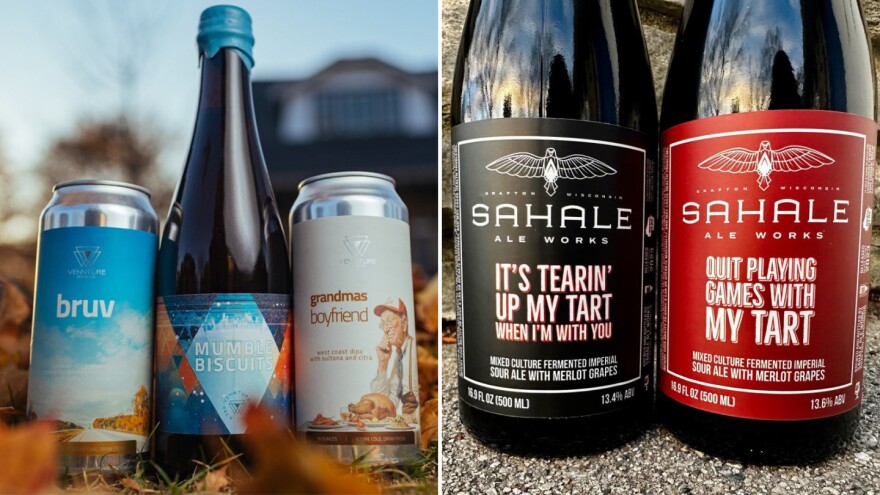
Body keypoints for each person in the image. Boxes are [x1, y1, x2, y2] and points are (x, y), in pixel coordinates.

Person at [371, 297, 419, 416]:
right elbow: (385, 404)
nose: (386, 329)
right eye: (383, 324)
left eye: (390, 321)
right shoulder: (399, 355)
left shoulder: (414, 352)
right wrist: (383, 363)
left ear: (404, 321)